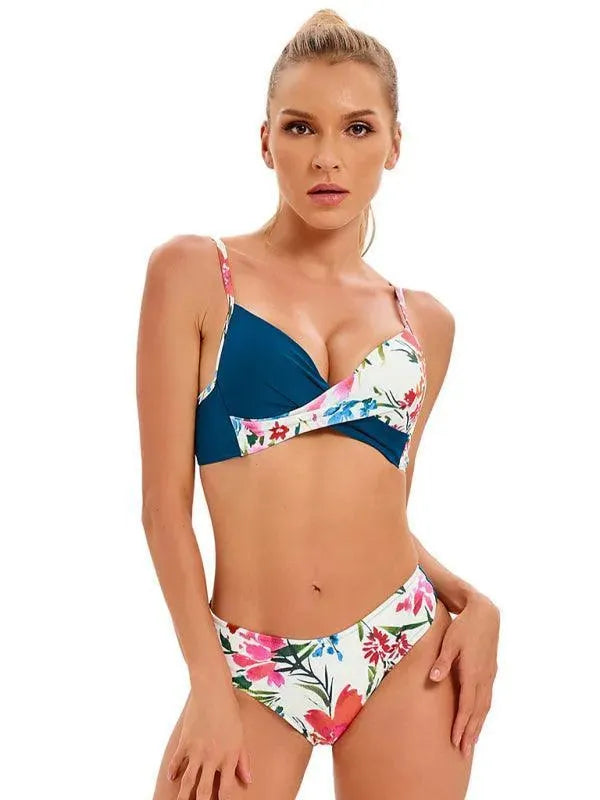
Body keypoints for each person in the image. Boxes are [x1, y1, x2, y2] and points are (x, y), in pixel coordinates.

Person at [136, 9, 500, 800]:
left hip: (404, 643)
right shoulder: (195, 274)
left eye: (358, 128)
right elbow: (164, 510)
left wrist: (469, 599)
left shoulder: (425, 324)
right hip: (251, 663)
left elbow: (382, 511)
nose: (327, 156)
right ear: (265, 141)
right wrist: (207, 685)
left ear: (394, 144)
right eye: (300, 127)